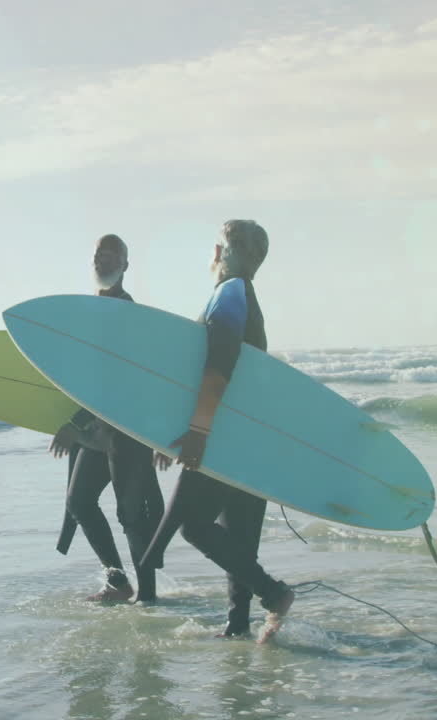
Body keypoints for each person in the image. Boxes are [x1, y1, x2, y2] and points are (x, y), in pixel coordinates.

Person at [141, 219, 294, 642]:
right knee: (240, 537)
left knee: (194, 525)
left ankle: (272, 593)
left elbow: (219, 362)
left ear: (228, 252)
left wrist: (197, 429)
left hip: (227, 436)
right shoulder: (248, 298)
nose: (214, 254)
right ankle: (238, 626)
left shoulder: (230, 292)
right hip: (253, 438)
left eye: (219, 246)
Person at [51, 234, 164, 603]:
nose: (103, 261)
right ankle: (118, 580)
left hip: (125, 431)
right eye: (98, 255)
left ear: (125, 266)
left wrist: (75, 423)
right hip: (99, 431)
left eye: (111, 256)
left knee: (131, 516)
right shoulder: (89, 311)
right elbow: (84, 374)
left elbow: (120, 379)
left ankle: (147, 598)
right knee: (80, 501)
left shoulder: (125, 314)